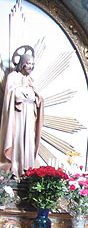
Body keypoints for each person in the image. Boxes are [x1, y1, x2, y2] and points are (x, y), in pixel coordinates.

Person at [0, 45, 44, 175]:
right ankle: (15, 168)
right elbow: (10, 94)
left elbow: (39, 100)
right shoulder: (13, 77)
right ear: (22, 64)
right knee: (17, 139)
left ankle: (27, 169)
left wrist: (35, 94)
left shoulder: (32, 81)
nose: (30, 66)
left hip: (29, 116)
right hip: (17, 116)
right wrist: (22, 92)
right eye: (28, 63)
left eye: (32, 64)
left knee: (29, 141)